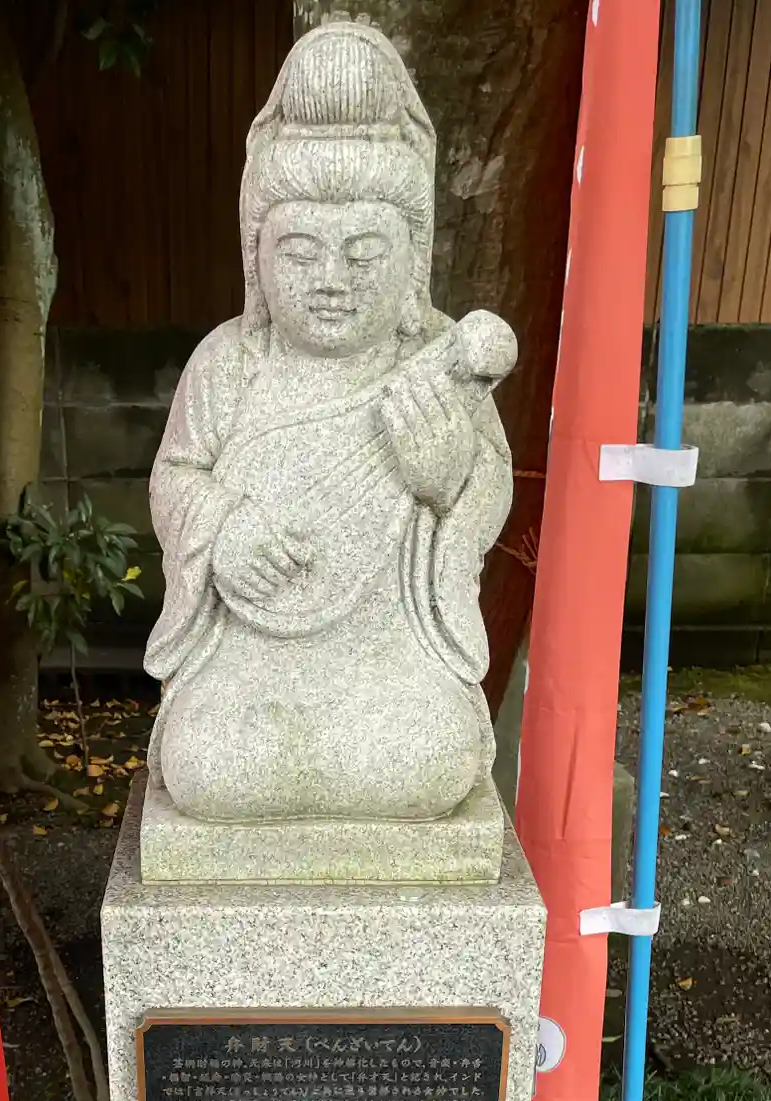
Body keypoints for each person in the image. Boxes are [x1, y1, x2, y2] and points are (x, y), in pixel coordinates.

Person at [144, 21, 515, 825]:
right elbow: (174, 478)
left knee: (429, 757)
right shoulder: (229, 363)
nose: (332, 280)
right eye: (300, 252)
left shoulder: (438, 362)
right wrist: (222, 530)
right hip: (252, 657)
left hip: (389, 658)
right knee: (209, 766)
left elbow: (487, 493)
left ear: (412, 262)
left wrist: (449, 480)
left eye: (365, 254)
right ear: (257, 259)